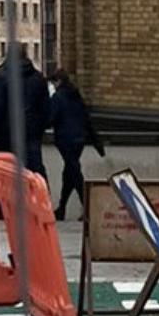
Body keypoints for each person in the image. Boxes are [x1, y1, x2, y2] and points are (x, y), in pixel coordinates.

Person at [47, 69, 103, 220]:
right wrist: (96, 141)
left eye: (53, 82)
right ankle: (62, 208)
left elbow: (50, 118)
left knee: (74, 171)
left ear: (58, 81)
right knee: (69, 172)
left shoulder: (58, 97)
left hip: (65, 138)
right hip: (79, 138)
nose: (53, 85)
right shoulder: (76, 96)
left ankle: (87, 206)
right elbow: (86, 118)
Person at [0, 47, 50, 181]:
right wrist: (39, 129)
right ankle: (40, 199)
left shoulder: (1, 76)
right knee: (35, 172)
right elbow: (46, 109)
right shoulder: (38, 78)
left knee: (7, 173)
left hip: (7, 134)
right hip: (31, 133)